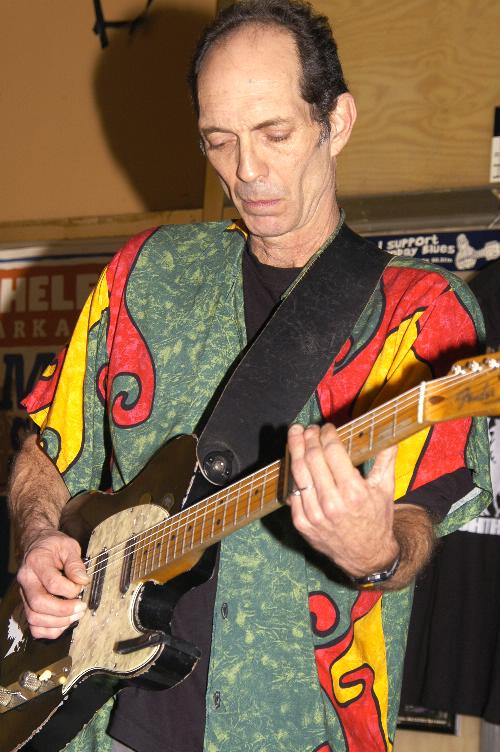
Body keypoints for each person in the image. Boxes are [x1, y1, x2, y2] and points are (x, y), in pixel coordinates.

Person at [8, 2, 491, 751]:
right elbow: (45, 450)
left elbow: (418, 525)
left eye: (275, 134)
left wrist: (375, 551)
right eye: (220, 141)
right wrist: (41, 538)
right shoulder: (144, 276)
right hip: (96, 724)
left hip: (293, 729)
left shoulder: (423, 315)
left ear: (336, 122)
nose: (248, 170)